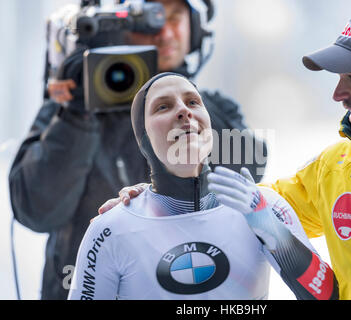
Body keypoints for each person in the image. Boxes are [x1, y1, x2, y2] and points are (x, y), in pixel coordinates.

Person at [107, 5, 351, 300]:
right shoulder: (334, 167)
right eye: (339, 77)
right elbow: (247, 206)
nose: (338, 94)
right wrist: (157, 200)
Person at [8, 0, 266, 300]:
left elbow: (249, 171)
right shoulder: (71, 110)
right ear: (120, 29)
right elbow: (37, 212)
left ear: (195, 29)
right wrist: (78, 114)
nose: (165, 32)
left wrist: (180, 103)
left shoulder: (210, 108)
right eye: (147, 21)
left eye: (174, 17)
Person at [68, 72, 338, 300]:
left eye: (193, 102)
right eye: (163, 106)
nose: (184, 111)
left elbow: (328, 294)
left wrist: (273, 232)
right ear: (144, 139)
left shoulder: (262, 205)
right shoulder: (110, 229)